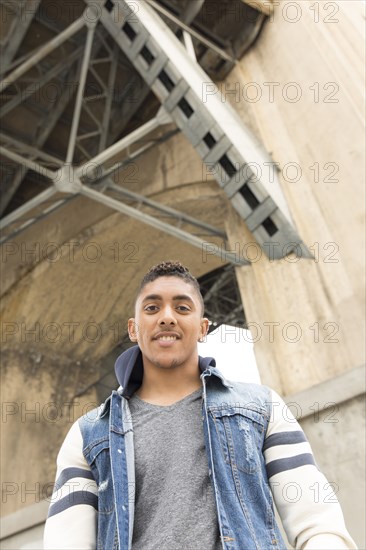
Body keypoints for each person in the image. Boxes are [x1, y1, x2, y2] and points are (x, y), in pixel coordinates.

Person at [44, 260, 356, 550]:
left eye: (182, 307)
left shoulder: (262, 407)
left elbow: (317, 521)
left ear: (203, 327)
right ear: (133, 328)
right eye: (152, 308)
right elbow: (65, 542)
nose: (167, 316)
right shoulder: (88, 434)